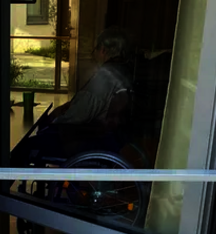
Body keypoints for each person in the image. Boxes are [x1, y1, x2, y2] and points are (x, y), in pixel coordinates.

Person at [11, 28, 134, 166]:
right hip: (110, 138)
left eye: (95, 50)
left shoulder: (106, 76)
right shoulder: (123, 71)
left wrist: (55, 120)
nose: (93, 55)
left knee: (22, 147)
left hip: (87, 140)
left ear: (103, 50)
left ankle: (1, 184)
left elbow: (79, 113)